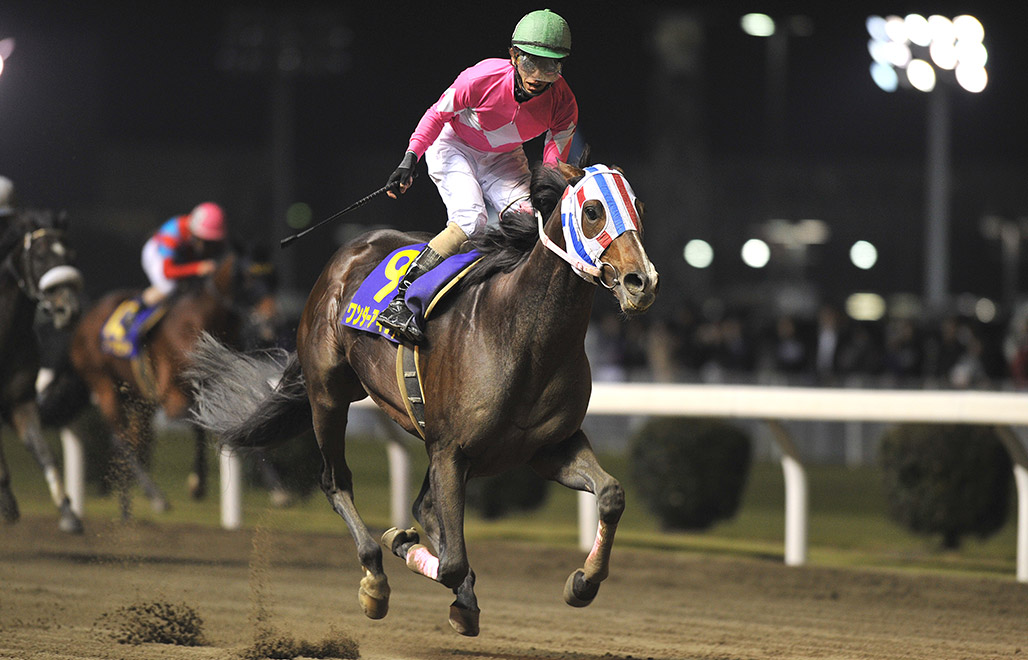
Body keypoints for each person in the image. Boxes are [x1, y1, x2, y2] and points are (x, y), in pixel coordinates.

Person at [380, 9, 578, 344]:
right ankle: (401, 299)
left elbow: (551, 165)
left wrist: (547, 200)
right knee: (471, 220)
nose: (538, 76)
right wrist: (411, 157)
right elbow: (436, 114)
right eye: (530, 63)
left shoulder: (564, 103)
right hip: (453, 144)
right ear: (513, 56)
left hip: (504, 156)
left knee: (532, 223)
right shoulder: (481, 77)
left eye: (550, 67)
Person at [140, 202, 227, 309]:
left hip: (178, 254)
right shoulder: (172, 234)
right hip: (155, 253)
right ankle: (137, 307)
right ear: (196, 234)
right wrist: (197, 268)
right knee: (168, 287)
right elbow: (167, 271)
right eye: (205, 241)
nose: (207, 246)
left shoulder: (194, 230)